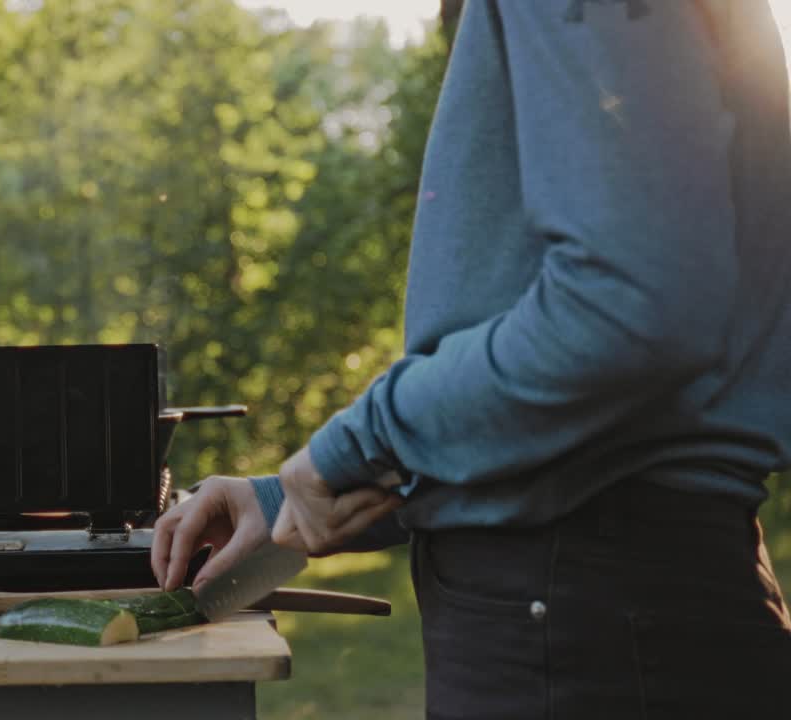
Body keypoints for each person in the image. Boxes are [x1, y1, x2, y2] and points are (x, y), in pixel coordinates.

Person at [151, 1, 791, 717]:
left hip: (583, 630)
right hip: (627, 612)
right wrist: (286, 500)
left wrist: (359, 444)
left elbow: (628, 304)